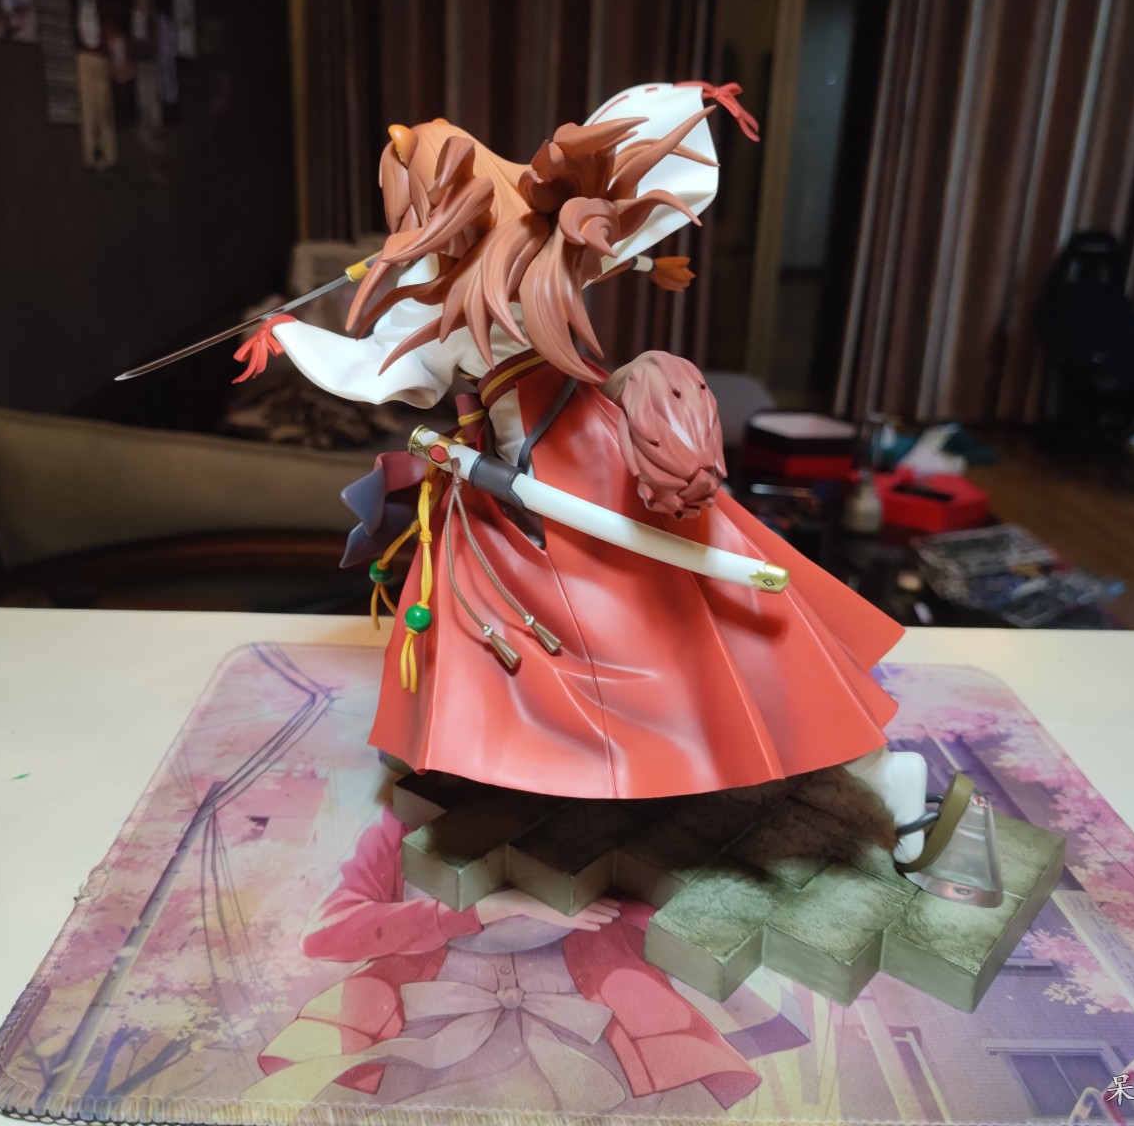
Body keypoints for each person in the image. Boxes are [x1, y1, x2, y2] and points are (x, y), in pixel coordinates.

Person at [248, 82, 938, 859]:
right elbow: (387, 366)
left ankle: (882, 775)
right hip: (514, 489)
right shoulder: (438, 283)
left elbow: (607, 211)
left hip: (589, 464)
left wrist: (686, 109)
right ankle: (439, 745)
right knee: (475, 615)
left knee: (714, 624)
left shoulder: (532, 237)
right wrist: (291, 336)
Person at [244, 806, 801, 1115]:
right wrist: (486, 908)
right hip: (422, 1016)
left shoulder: (600, 812)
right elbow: (326, 933)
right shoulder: (403, 818)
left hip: (592, 1014)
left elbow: (675, 912)